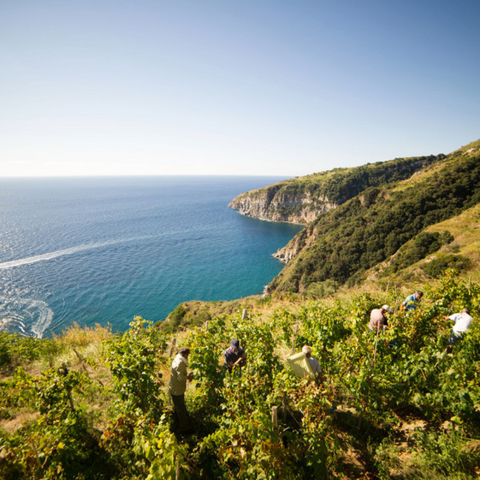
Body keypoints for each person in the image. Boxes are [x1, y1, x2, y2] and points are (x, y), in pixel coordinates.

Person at [169, 347, 194, 434]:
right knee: (181, 409)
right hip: (177, 390)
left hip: (175, 388)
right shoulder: (180, 363)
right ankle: (184, 428)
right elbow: (180, 378)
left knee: (178, 407)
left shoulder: (178, 359)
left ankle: (177, 424)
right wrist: (188, 377)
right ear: (186, 355)